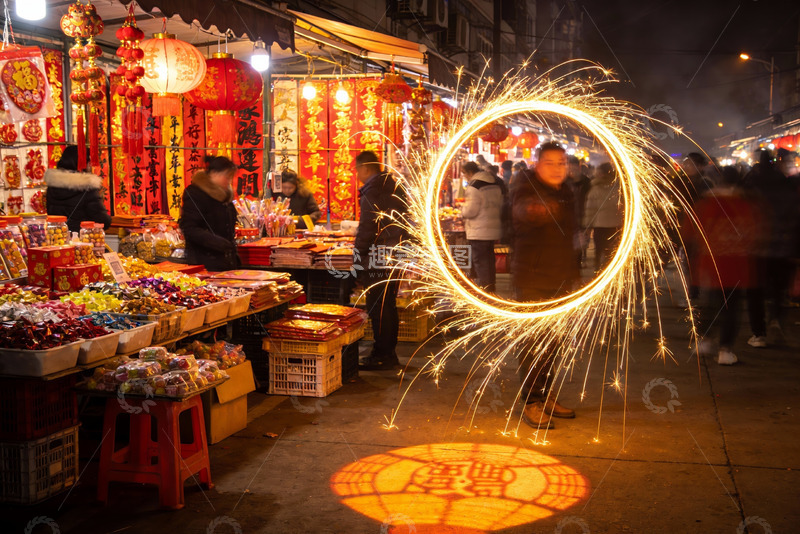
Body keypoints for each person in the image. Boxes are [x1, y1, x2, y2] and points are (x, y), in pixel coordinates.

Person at [511, 142, 578, 429]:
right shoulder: (524, 188)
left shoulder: (565, 192)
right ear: (537, 165)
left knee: (554, 344)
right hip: (533, 279)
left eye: (561, 163)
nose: (557, 168)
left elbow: (570, 238)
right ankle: (531, 402)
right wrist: (537, 209)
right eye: (550, 163)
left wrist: (575, 275)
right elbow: (521, 212)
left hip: (561, 277)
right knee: (534, 344)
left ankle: (546, 394)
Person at [684, 166, 759, 365]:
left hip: (711, 264)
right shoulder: (745, 205)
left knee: (711, 303)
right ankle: (725, 350)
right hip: (736, 265)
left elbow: (689, 231)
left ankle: (705, 342)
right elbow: (755, 234)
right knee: (731, 309)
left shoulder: (707, 204)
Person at [353, 151, 409, 370]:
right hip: (396, 252)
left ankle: (382, 354)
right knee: (388, 305)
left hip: (378, 255)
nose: (357, 174)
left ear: (365, 169)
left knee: (379, 306)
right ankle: (388, 352)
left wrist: (357, 258)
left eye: (357, 169)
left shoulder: (372, 191)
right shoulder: (394, 186)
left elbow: (368, 228)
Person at [742, 148, 800, 345]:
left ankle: (759, 333)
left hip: (757, 249)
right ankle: (775, 318)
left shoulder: (752, 187)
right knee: (778, 291)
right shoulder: (787, 187)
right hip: (784, 249)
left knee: (755, 292)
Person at [179, 156, 240, 272]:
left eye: (230, 178)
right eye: (226, 177)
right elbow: (189, 228)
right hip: (203, 263)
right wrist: (217, 242)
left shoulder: (225, 197)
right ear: (214, 174)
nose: (228, 182)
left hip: (226, 263)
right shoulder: (195, 193)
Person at [44, 145, 111, 233]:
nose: (90, 165)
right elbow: (102, 220)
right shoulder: (86, 187)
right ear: (82, 163)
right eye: (88, 162)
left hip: (58, 237)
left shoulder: (52, 186)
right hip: (83, 239)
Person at [460, 161, 502, 293]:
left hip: (479, 230)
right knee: (489, 260)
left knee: (481, 261)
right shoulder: (494, 183)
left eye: (465, 174)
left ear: (470, 173)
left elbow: (470, 211)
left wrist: (462, 210)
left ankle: (485, 291)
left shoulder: (474, 187)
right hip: (493, 228)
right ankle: (491, 287)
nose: (465, 177)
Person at [583, 163, 623, 272]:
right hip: (616, 225)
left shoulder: (594, 190)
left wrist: (588, 226)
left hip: (600, 226)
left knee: (599, 250)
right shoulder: (619, 188)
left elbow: (590, 210)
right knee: (612, 253)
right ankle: (610, 272)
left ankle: (598, 272)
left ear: (600, 174)